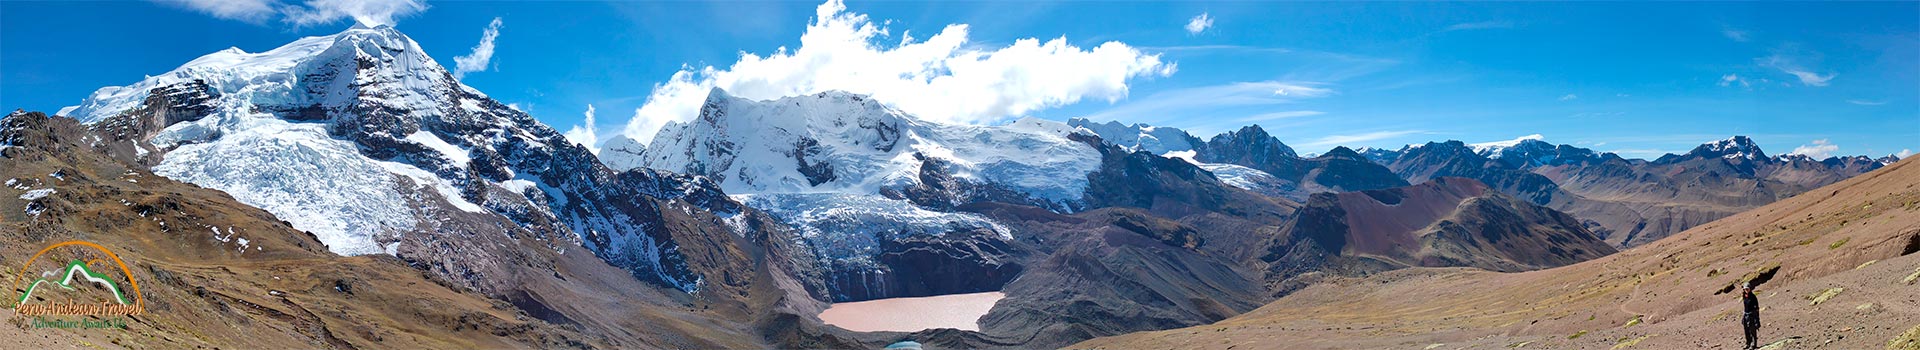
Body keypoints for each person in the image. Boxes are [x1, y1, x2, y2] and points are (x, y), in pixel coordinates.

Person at [1741, 281, 1760, 350]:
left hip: (1752, 315)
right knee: (1746, 330)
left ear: (1750, 289)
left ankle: (1753, 344)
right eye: (1745, 289)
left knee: (1752, 330)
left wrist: (1756, 317)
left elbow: (1757, 307)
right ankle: (1748, 343)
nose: (1746, 290)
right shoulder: (1744, 296)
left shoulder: (1753, 297)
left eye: (1747, 289)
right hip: (1746, 314)